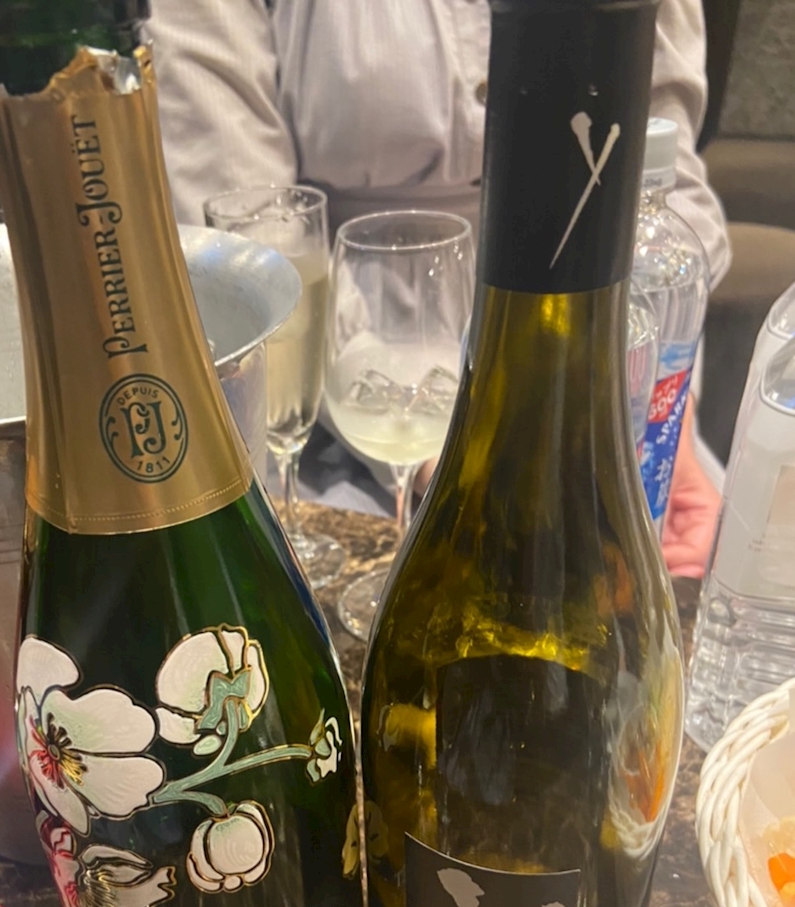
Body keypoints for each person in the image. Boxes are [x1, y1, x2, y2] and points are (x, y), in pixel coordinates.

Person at [148, 0, 729, 578]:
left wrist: (650, 416)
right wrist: (462, 458)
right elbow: (254, 239)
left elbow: (661, 179)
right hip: (344, 390)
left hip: (605, 386)